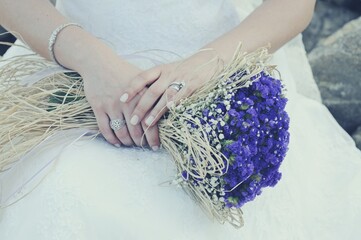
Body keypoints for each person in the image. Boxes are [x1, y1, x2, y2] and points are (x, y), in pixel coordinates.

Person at [0, 0, 360, 239]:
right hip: (73, 66)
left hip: (222, 67)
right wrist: (89, 59)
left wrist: (207, 64)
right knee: (59, 189)